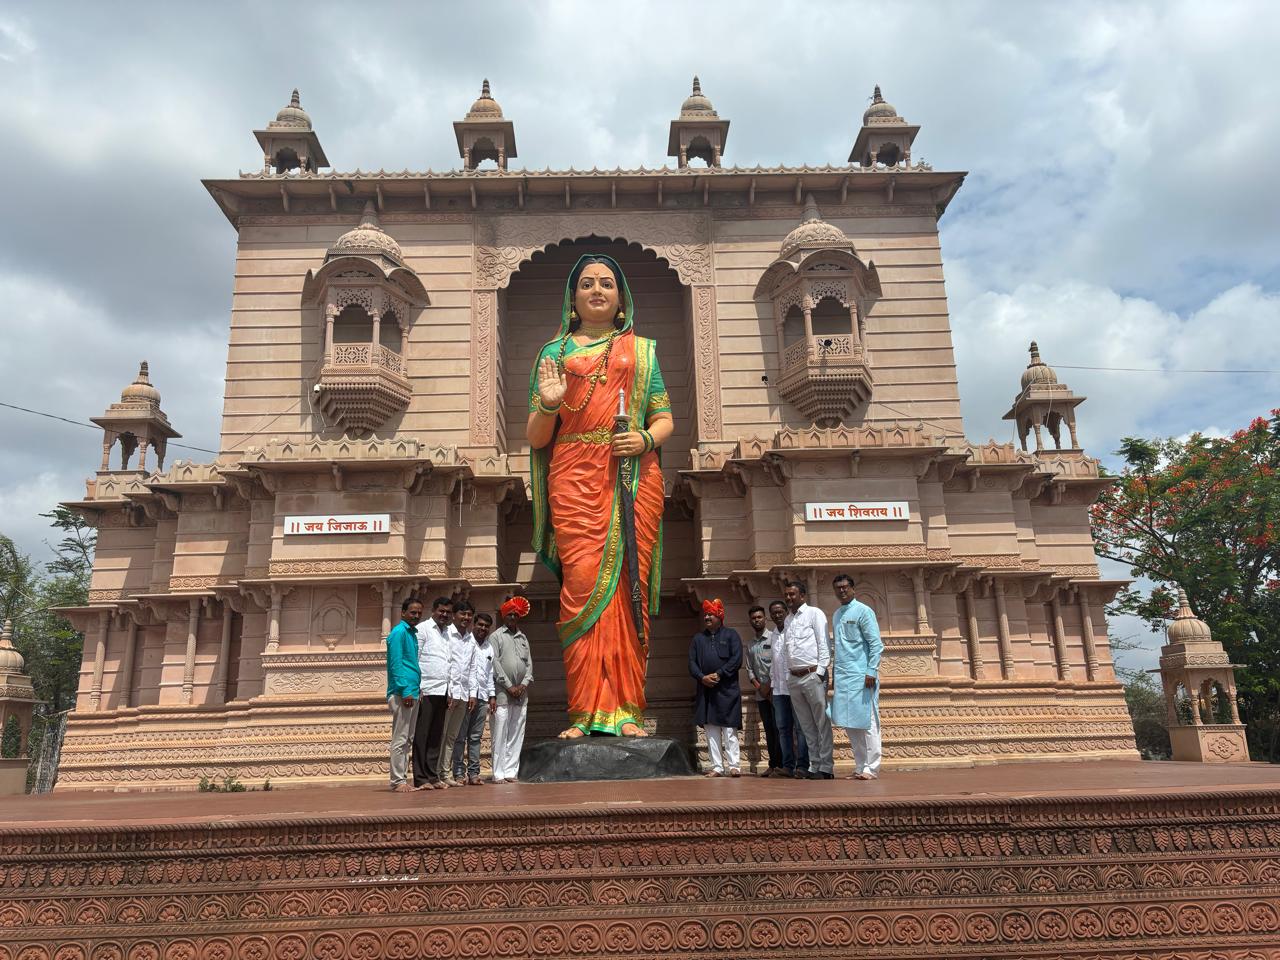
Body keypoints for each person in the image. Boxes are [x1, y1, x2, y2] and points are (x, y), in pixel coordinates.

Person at [527, 254, 673, 738]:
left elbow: (662, 416)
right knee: (583, 584)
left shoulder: (642, 351)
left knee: (627, 584)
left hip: (631, 475)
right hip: (572, 475)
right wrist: (549, 404)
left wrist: (646, 440)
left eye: (607, 283)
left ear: (621, 298)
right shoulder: (553, 353)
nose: (596, 290)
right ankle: (584, 713)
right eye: (586, 283)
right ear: (572, 299)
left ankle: (627, 710)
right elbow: (536, 437)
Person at [829, 573, 884, 780]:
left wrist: (871, 670)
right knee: (850, 723)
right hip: (844, 677)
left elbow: (876, 644)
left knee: (868, 721)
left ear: (853, 589)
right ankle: (861, 766)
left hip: (862, 676)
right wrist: (834, 674)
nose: (841, 591)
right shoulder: (836, 615)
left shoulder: (863, 611)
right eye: (838, 588)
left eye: (845, 587)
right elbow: (839, 648)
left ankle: (873, 766)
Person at [781, 580, 835, 779]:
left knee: (821, 722)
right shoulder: (788, 619)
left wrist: (820, 672)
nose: (788, 598)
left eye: (792, 594)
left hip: (812, 675)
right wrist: (788, 675)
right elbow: (788, 650)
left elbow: (824, 643)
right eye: (786, 595)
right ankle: (814, 766)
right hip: (794, 678)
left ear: (802, 595)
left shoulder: (815, 613)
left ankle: (826, 767)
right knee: (805, 725)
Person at [689, 598, 743, 777]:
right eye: (705, 614)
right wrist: (702, 677)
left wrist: (719, 673)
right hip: (706, 691)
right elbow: (692, 663)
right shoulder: (698, 638)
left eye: (710, 614)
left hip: (727, 690)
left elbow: (736, 660)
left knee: (729, 730)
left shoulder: (731, 635)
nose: (707, 617)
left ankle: (734, 765)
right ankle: (717, 767)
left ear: (720, 616)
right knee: (711, 729)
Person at [489, 596, 534, 783]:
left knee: (517, 732)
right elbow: (495, 663)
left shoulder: (523, 638)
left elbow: (529, 664)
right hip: (502, 693)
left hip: (521, 694)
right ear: (504, 616)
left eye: (516, 615)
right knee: (500, 731)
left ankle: (510, 771)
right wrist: (509, 686)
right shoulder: (496, 636)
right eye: (510, 614)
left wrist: (523, 685)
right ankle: (498, 773)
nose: (513, 617)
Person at [411, 595, 453, 790]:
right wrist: (417, 686)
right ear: (434, 611)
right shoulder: (423, 629)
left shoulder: (447, 634)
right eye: (441, 611)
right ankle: (420, 778)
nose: (444, 615)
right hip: (426, 689)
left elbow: (448, 663)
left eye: (447, 612)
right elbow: (415, 658)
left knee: (436, 735)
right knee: (422, 734)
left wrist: (450, 690)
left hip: (442, 690)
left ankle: (432, 775)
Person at [452, 613, 496, 786]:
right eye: (480, 625)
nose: (483, 628)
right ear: (474, 625)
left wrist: (492, 696)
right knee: (460, 737)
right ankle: (458, 773)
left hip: (483, 697)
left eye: (486, 626)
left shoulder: (489, 648)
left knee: (476, 737)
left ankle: (474, 773)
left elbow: (489, 674)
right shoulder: (465, 642)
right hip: (466, 696)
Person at [767, 599, 809, 778]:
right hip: (778, 689)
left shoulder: (793, 630)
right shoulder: (774, 634)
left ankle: (802, 765)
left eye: (780, 612)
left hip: (794, 685)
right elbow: (773, 662)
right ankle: (788, 766)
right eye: (774, 613)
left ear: (786, 613)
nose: (777, 615)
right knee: (783, 728)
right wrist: (771, 685)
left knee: (800, 728)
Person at [385, 597, 423, 793]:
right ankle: (397, 781)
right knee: (400, 739)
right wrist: (405, 690)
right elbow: (396, 664)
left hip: (412, 691)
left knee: (408, 738)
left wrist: (416, 688)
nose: (416, 616)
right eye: (412, 612)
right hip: (403, 693)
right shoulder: (399, 633)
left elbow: (411, 664)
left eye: (418, 613)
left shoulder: (411, 633)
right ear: (403, 613)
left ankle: (402, 779)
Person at [437, 600, 477, 787]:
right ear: (454, 615)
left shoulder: (470, 639)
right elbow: (446, 665)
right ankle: (435, 773)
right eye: (463, 614)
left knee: (452, 736)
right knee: (441, 733)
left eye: (469, 615)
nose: (466, 618)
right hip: (449, 694)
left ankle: (445, 773)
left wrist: (473, 693)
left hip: (464, 694)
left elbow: (472, 668)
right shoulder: (446, 635)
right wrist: (449, 691)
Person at [744, 605, 783, 776]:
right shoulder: (750, 644)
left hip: (776, 690)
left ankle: (783, 764)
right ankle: (773, 764)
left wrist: (770, 686)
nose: (757, 620)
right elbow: (749, 669)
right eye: (753, 618)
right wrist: (760, 687)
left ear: (765, 618)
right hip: (761, 694)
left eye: (759, 617)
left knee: (780, 728)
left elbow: (778, 664)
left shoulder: (774, 638)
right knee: (768, 729)